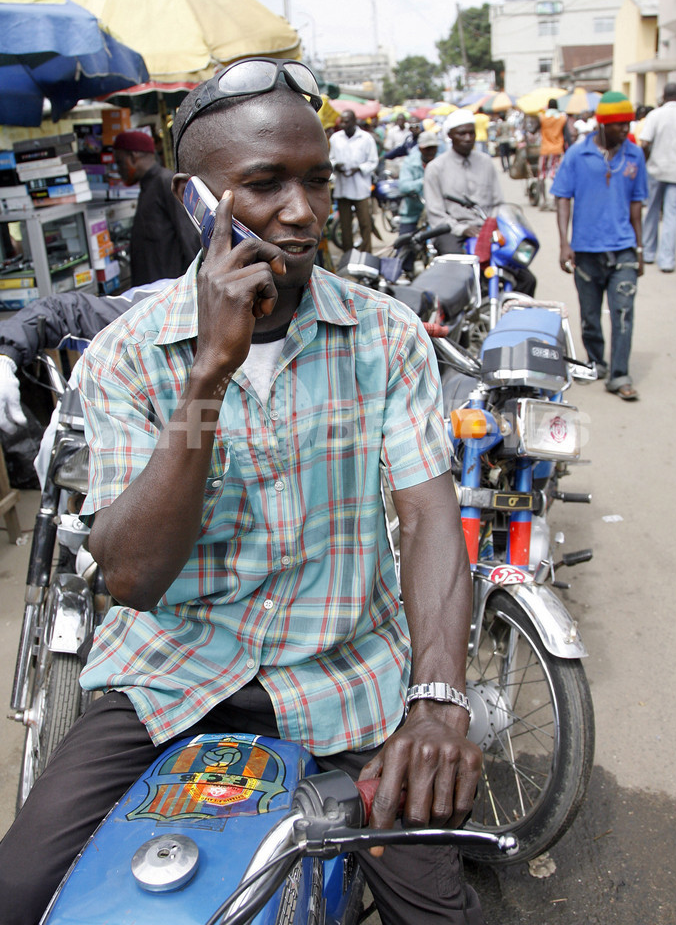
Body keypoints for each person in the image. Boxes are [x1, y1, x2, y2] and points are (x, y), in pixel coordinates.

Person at [0, 58, 483, 925]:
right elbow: (134, 578)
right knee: (19, 891)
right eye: (264, 185)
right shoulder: (129, 357)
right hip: (169, 683)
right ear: (197, 202)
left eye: (317, 181)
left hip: (352, 680)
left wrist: (437, 698)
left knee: (434, 910)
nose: (302, 213)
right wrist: (208, 379)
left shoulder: (385, 336)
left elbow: (428, 521)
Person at [551, 90, 648, 401]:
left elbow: (636, 205)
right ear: (603, 125)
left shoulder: (635, 156)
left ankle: (620, 374)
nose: (626, 130)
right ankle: (596, 362)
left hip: (623, 250)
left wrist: (640, 248)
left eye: (628, 124)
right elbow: (562, 197)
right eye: (620, 124)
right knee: (590, 314)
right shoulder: (577, 155)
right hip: (586, 251)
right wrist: (564, 243)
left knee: (623, 312)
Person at [113, 129, 200, 285]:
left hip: (170, 289)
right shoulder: (148, 186)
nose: (118, 170)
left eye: (119, 162)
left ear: (133, 157)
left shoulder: (165, 182)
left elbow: (190, 238)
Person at [423, 108, 503, 253]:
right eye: (462, 133)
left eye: (471, 133)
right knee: (456, 267)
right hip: (451, 231)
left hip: (487, 227)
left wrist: (491, 224)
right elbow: (436, 213)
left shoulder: (486, 162)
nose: (468, 138)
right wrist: (462, 229)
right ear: (450, 135)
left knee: (520, 270)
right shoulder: (436, 168)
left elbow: (498, 202)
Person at [638, 82, 676, 273]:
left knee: (652, 211)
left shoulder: (655, 115)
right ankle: (667, 261)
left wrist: (645, 163)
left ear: (663, 96)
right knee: (671, 214)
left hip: (655, 170)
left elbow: (644, 142)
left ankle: (648, 253)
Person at [328, 109, 378, 252]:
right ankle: (348, 254)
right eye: (341, 121)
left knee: (364, 222)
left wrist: (359, 168)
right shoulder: (336, 138)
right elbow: (330, 159)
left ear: (354, 122)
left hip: (360, 187)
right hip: (343, 186)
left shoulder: (366, 138)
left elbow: (373, 161)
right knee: (345, 225)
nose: (343, 124)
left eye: (346, 121)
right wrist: (336, 165)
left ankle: (366, 252)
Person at [537, 98, 567, 210]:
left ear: (548, 106)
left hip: (545, 149)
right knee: (554, 175)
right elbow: (566, 135)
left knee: (542, 175)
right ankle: (555, 202)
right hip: (557, 149)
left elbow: (535, 130)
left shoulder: (542, 118)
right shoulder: (562, 118)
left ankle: (543, 200)